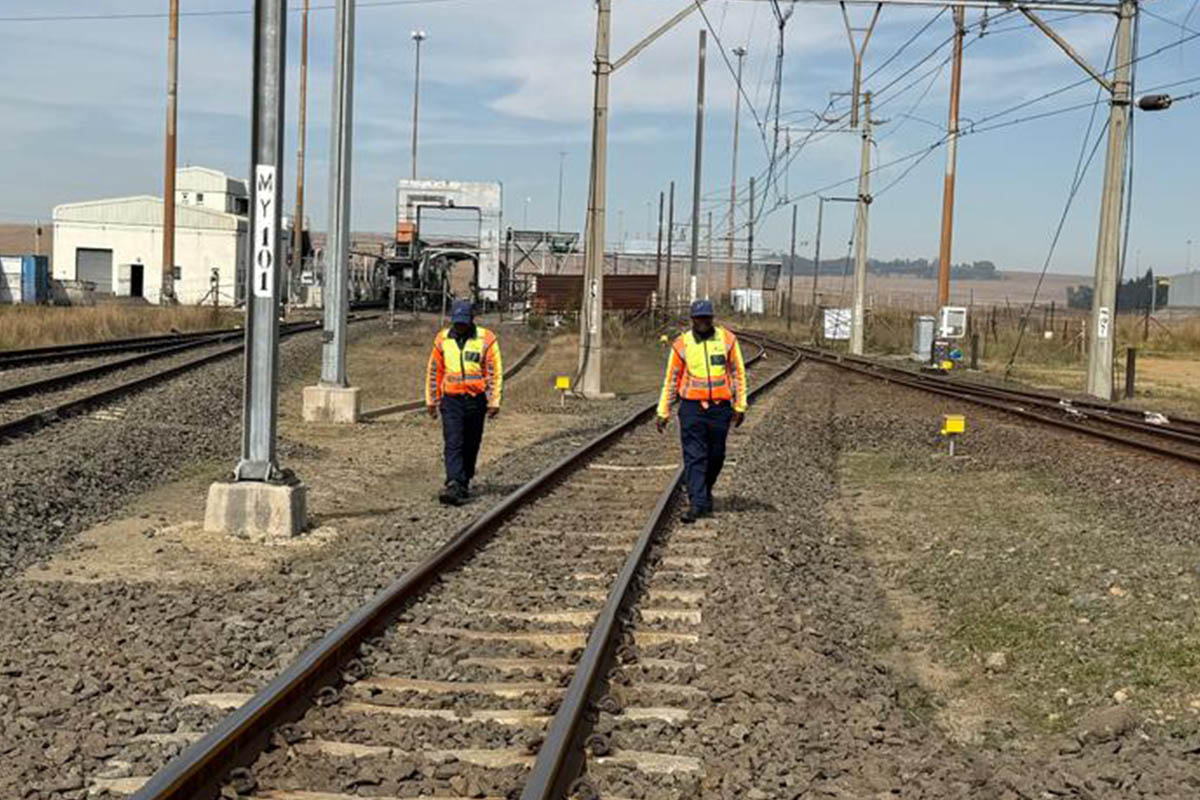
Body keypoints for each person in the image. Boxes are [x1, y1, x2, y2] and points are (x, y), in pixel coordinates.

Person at [655, 299, 747, 523]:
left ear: (712, 318)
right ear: (692, 320)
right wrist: (663, 410)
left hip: (720, 409)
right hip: (692, 409)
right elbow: (671, 379)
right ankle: (697, 503)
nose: (703, 322)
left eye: (706, 317)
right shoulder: (681, 344)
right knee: (695, 456)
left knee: (716, 456)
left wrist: (740, 405)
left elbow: (738, 373)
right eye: (699, 318)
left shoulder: (727, 340)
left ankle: (704, 492)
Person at [425, 300, 502, 505]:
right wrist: (432, 400)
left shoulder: (486, 338)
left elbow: (494, 371)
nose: (460, 327)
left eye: (463, 323)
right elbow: (434, 371)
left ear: (471, 321)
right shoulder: (442, 339)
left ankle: (464, 480)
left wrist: (494, 401)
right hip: (451, 400)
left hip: (476, 400)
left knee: (471, 443)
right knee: (453, 441)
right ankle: (454, 482)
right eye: (457, 323)